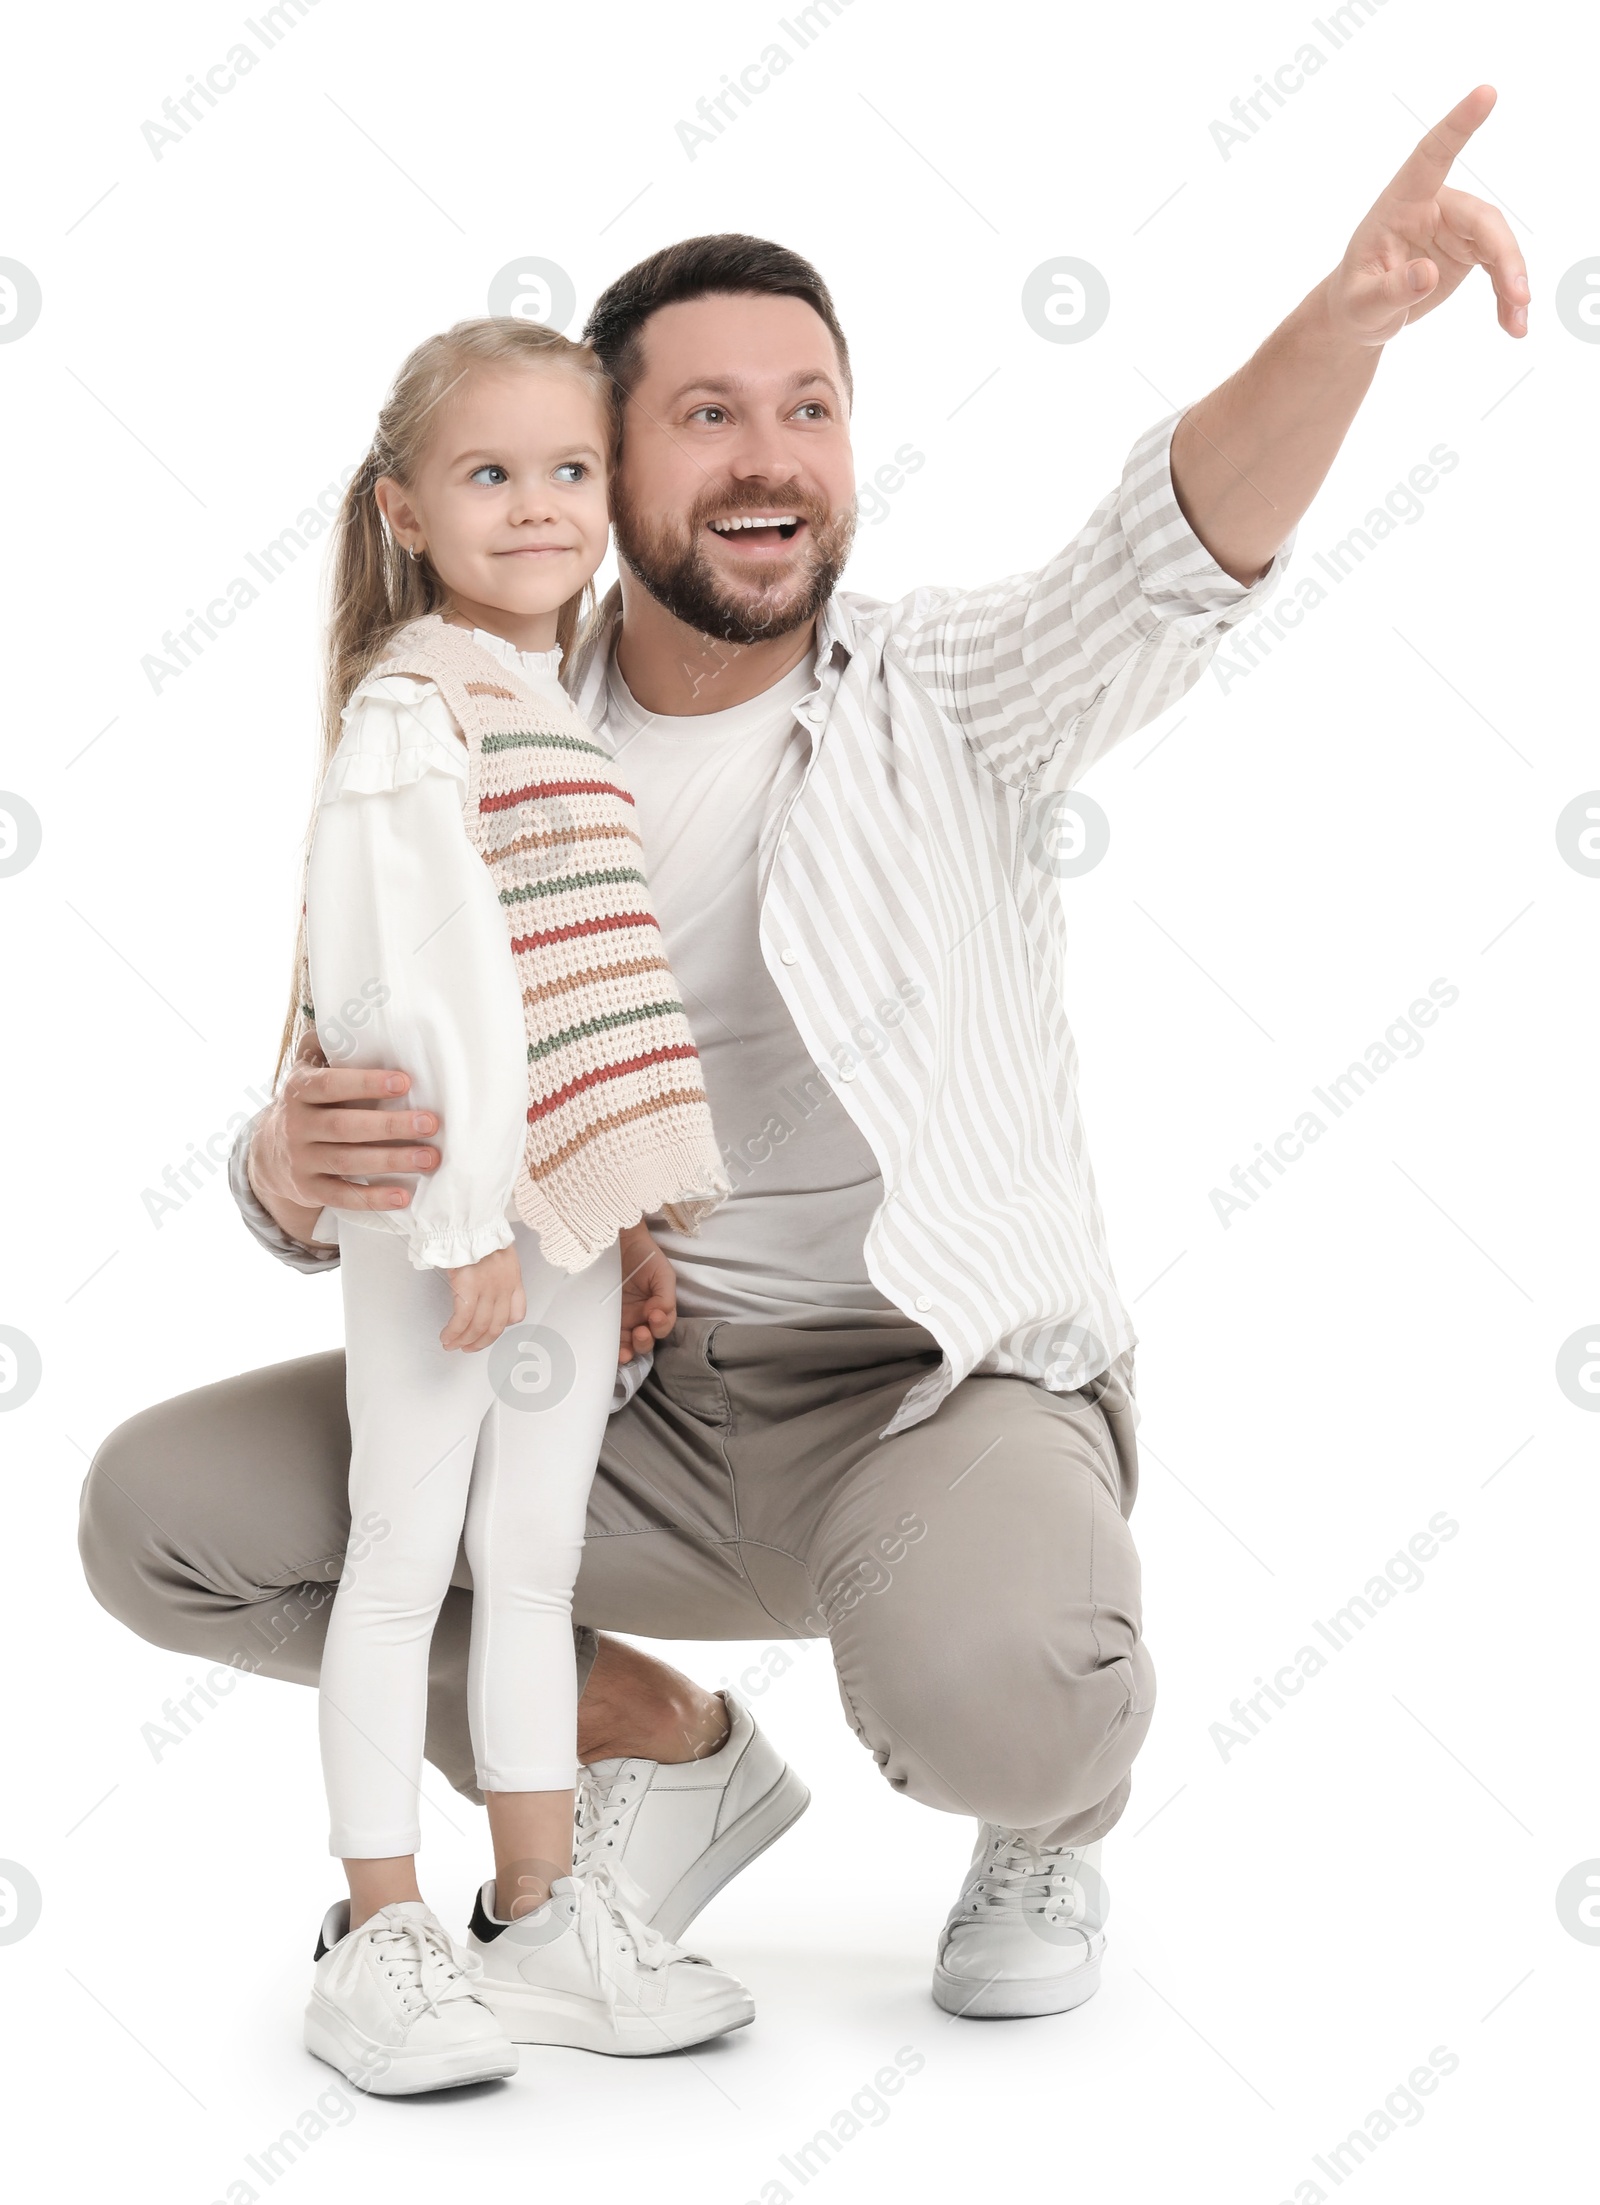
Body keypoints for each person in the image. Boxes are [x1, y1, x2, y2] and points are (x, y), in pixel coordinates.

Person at [81, 88, 1528, 2029]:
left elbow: (1159, 552)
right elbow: (380, 1057)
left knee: (1008, 1693)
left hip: (923, 1397)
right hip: (601, 1389)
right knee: (158, 1515)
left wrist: (1340, 323)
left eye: (810, 406)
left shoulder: (949, 696)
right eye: (703, 414)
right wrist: (278, 1164)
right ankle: (654, 1741)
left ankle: (1045, 1811)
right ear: (595, 469)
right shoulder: (480, 726)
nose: (769, 456)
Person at [282, 315, 753, 2094]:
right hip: (452, 1222)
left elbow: (565, 990)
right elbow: (407, 979)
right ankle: (380, 1925)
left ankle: (541, 1904)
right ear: (407, 507)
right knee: (402, 1556)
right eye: (493, 474)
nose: (541, 505)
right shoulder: (418, 711)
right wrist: (460, 1210)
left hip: (551, 1221)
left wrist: (606, 1216)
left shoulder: (542, 699)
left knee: (535, 1565)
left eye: (570, 469)